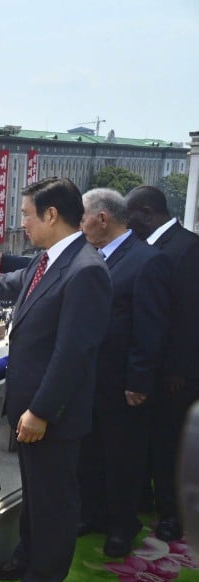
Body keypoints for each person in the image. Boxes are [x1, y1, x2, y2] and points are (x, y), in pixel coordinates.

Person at [0, 177, 112, 582]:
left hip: (52, 416)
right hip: (31, 410)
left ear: (52, 215)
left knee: (55, 501)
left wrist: (41, 411)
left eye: (26, 214)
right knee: (37, 494)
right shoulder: (52, 262)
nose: (22, 222)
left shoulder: (86, 270)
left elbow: (73, 354)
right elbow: (11, 285)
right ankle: (26, 560)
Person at [76, 188, 172, 557]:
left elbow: (151, 326)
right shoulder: (92, 255)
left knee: (123, 457)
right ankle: (95, 514)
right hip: (91, 378)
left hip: (123, 382)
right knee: (92, 453)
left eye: (83, 217)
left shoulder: (148, 261)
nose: (80, 225)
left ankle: (122, 525)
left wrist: (139, 379)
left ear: (102, 218)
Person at [125, 185, 199, 542]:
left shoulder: (188, 247)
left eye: (131, 215)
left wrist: (178, 370)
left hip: (174, 373)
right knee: (146, 439)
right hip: (147, 366)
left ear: (148, 211)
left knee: (170, 443)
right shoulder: (148, 248)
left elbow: (189, 317)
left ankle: (172, 514)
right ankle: (147, 499)